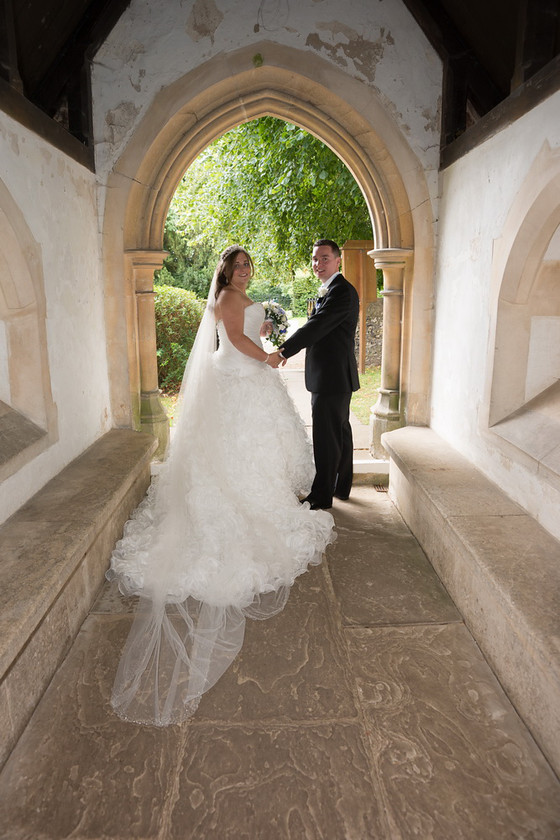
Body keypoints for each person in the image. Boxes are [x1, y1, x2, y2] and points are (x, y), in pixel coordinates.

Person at [106, 245, 335, 726]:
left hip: (243, 377)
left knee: (252, 453)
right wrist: (269, 356)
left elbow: (244, 332)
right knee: (238, 454)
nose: (246, 270)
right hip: (241, 380)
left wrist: (265, 330)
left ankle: (265, 492)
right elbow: (235, 338)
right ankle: (251, 504)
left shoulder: (236, 296)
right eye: (240, 265)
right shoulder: (229, 298)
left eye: (250, 264)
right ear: (227, 271)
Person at [278, 239, 360, 510]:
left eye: (324, 258)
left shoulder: (341, 292)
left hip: (332, 377)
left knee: (327, 438)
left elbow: (316, 326)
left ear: (338, 261)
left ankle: (321, 496)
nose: (318, 264)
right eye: (314, 259)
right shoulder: (333, 289)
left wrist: (283, 351)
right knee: (340, 433)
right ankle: (341, 486)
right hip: (334, 376)